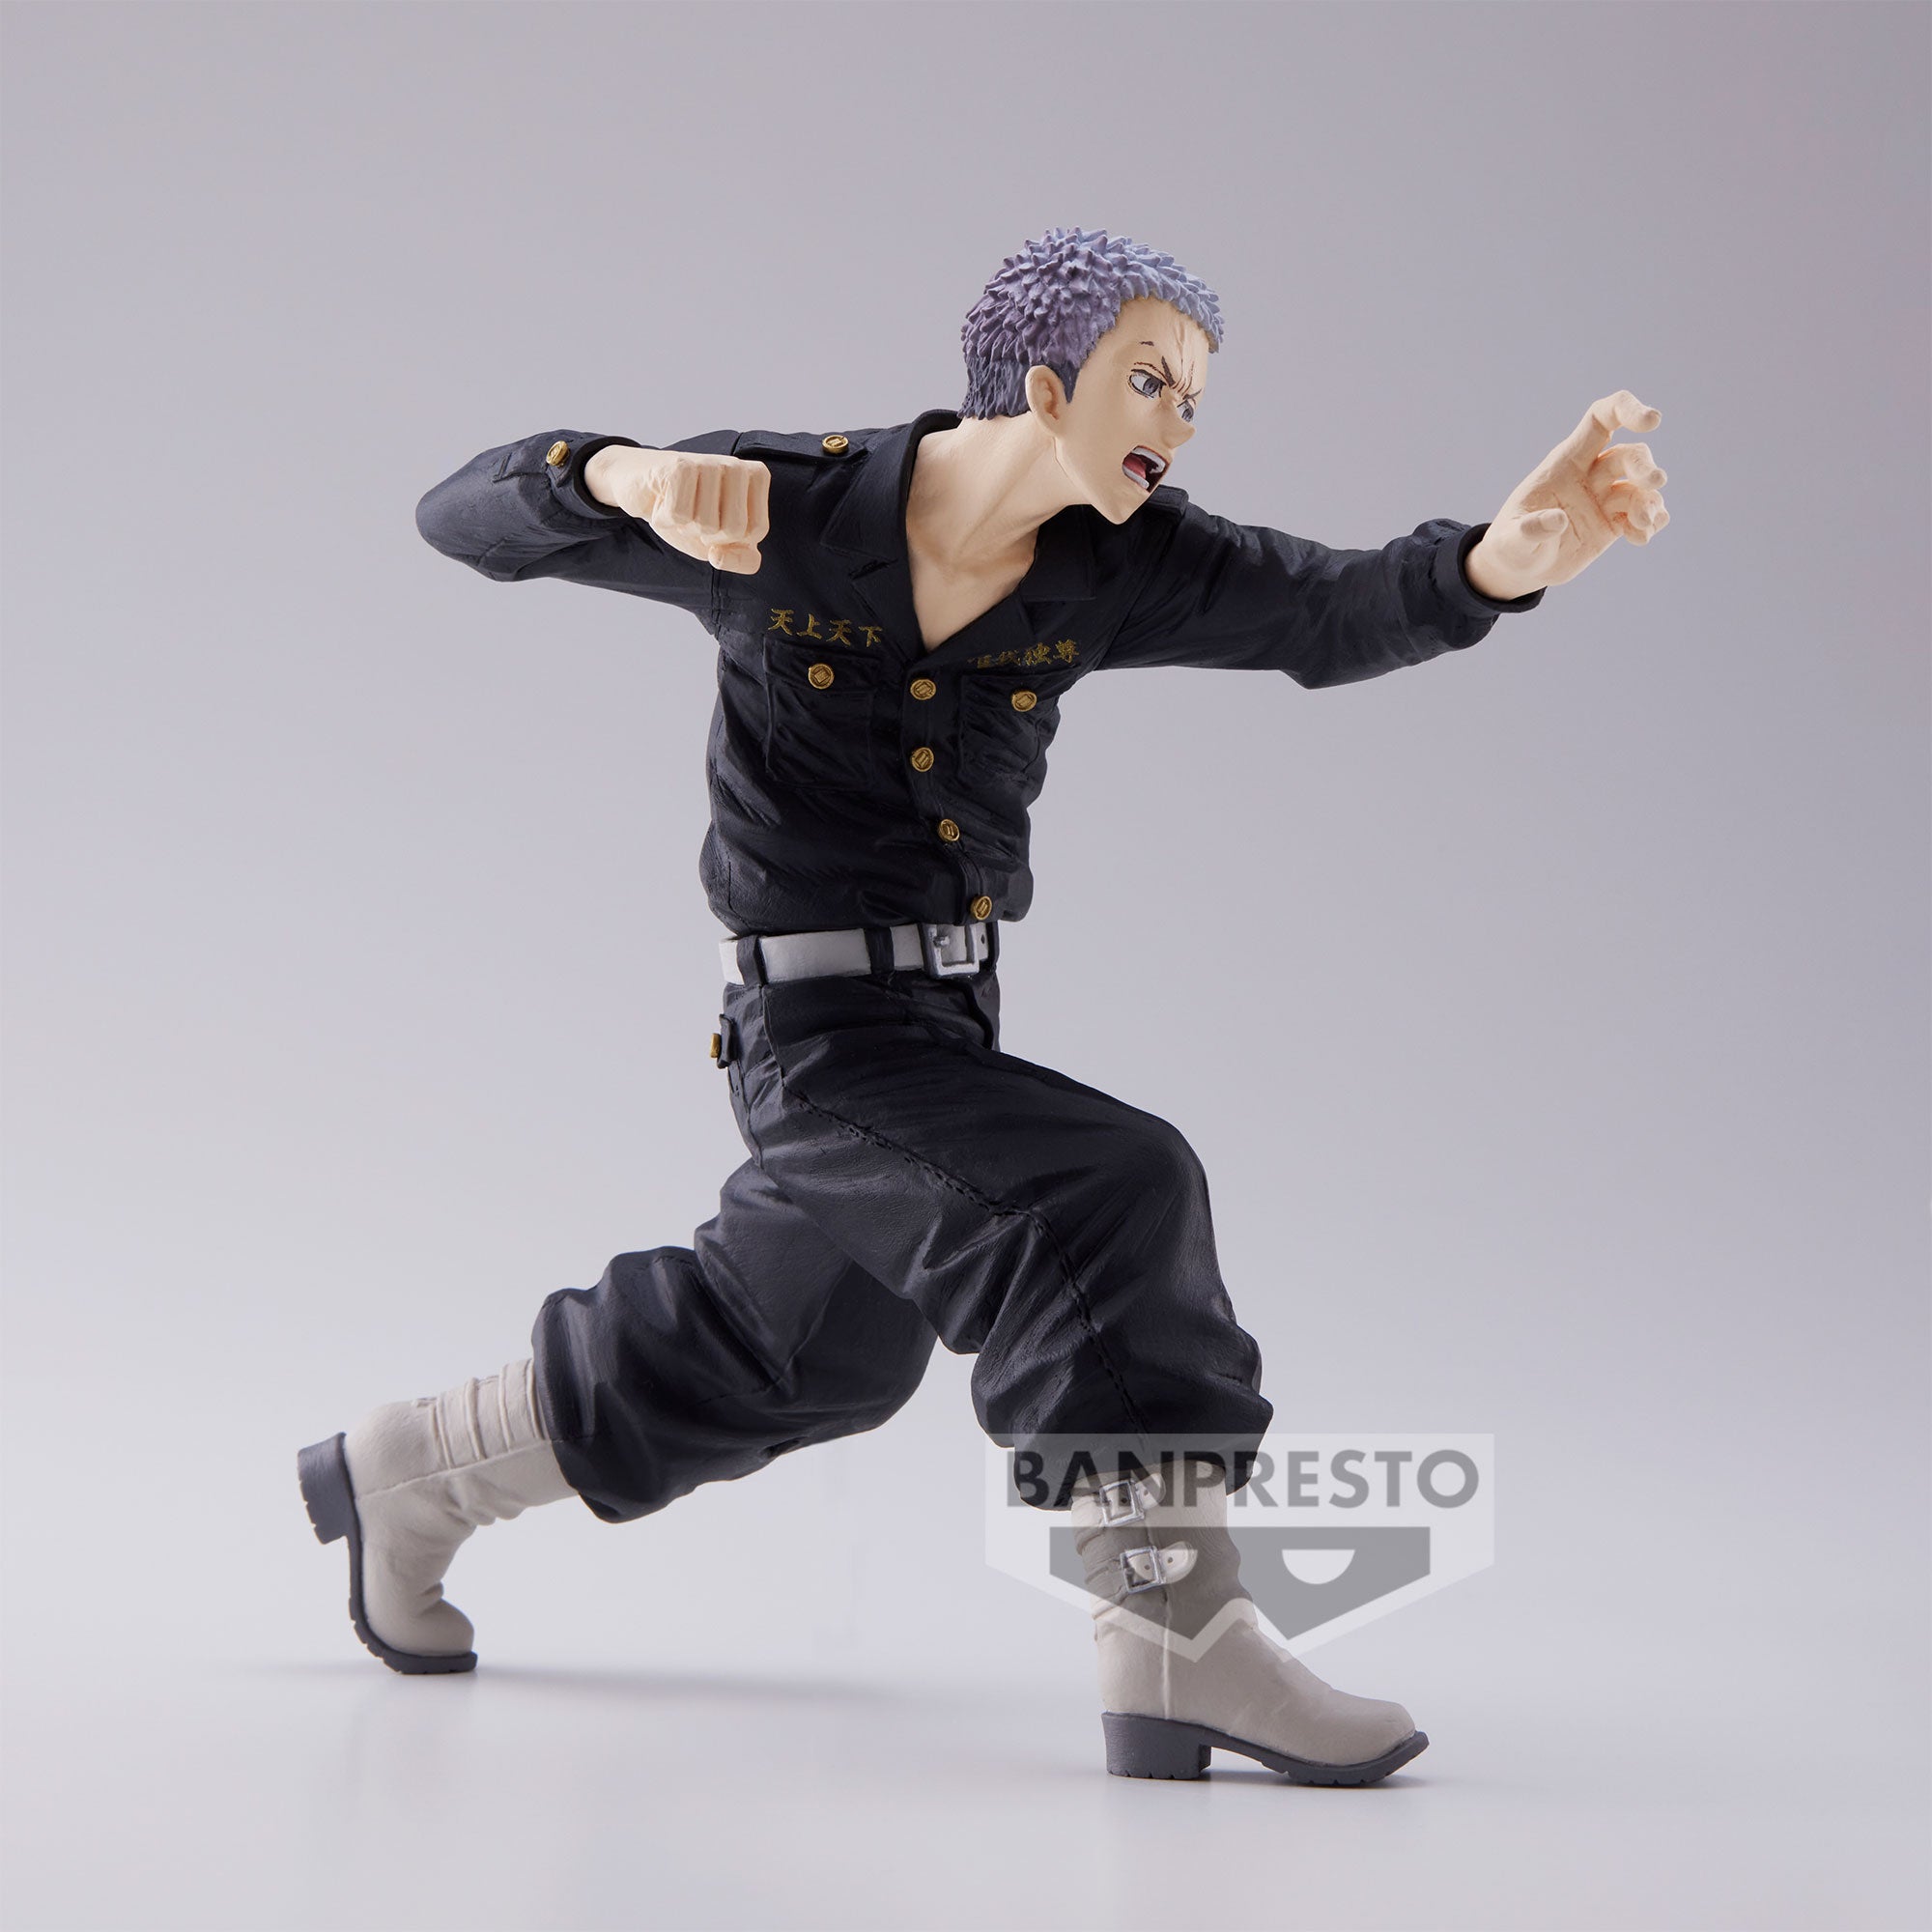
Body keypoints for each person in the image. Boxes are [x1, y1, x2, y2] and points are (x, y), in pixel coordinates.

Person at [298, 227, 1666, 1783]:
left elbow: (1323, 610)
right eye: (1151, 381)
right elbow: (461, 517)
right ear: (1046, 384)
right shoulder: (781, 509)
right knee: (1112, 1184)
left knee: (797, 1350)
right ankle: (1178, 1638)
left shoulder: (1118, 559)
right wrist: (615, 475)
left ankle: (411, 1472)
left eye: (1196, 399)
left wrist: (1499, 562)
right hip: (811, 1044)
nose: (1179, 423)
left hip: (944, 1036)